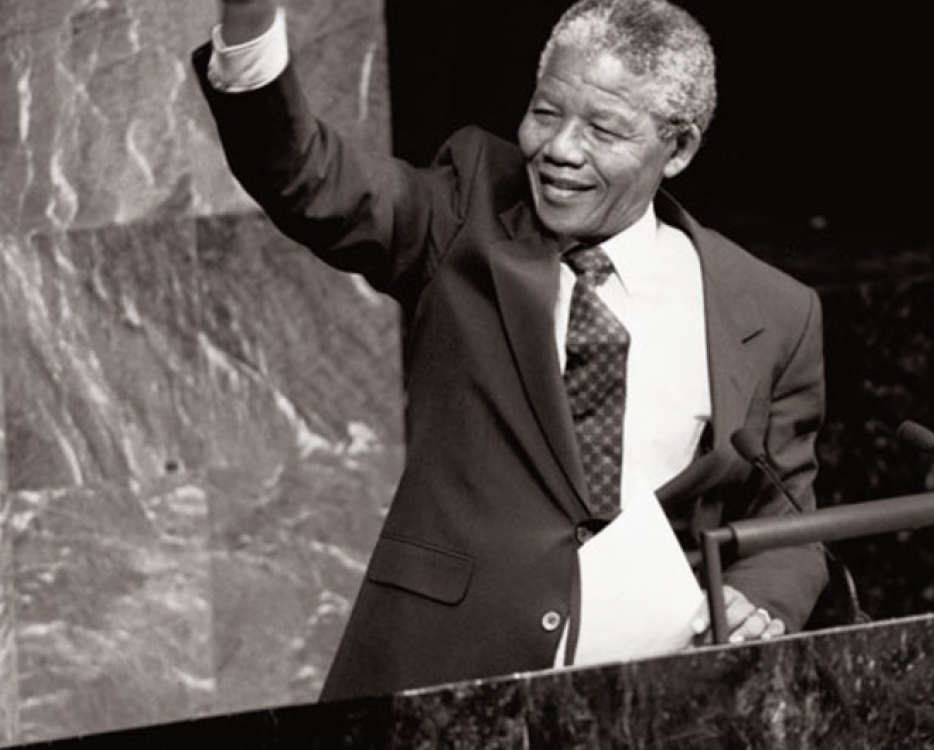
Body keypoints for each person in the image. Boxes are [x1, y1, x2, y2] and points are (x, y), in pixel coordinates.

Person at [194, 0, 828, 699]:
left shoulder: (770, 310)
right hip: (445, 683)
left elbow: (787, 523)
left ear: (677, 149)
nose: (559, 148)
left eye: (602, 129)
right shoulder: (466, 210)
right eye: (547, 112)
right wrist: (249, 26)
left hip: (650, 700)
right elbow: (309, 176)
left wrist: (757, 604)